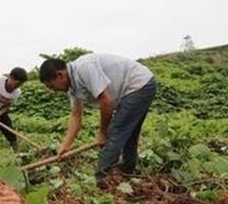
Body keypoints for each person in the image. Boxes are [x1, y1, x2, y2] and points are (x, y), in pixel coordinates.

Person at [39, 53, 157, 182]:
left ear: (60, 75)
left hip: (139, 84)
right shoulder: (72, 88)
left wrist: (103, 133)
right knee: (128, 133)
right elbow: (76, 116)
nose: (53, 90)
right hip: (137, 87)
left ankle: (102, 179)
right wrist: (66, 146)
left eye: (51, 86)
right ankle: (128, 171)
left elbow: (106, 101)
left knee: (115, 132)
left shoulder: (84, 68)